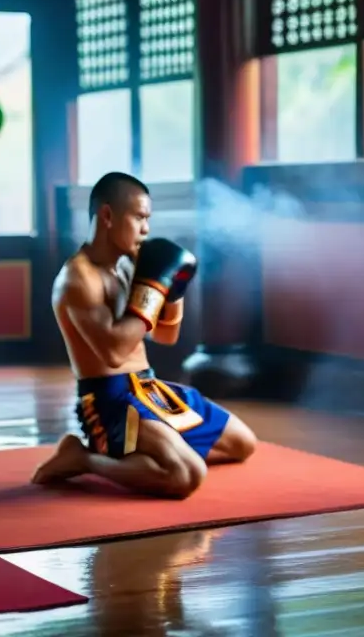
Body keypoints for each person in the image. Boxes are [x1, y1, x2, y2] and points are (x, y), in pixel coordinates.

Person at [32, 171, 257, 498]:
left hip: (149, 388)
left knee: (243, 444)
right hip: (110, 400)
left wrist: (173, 290)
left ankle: (155, 444)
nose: (146, 229)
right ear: (108, 216)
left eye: (148, 219)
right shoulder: (77, 279)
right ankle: (83, 458)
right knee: (186, 475)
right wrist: (154, 288)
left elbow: (166, 337)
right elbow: (114, 352)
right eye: (139, 217)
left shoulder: (126, 266)